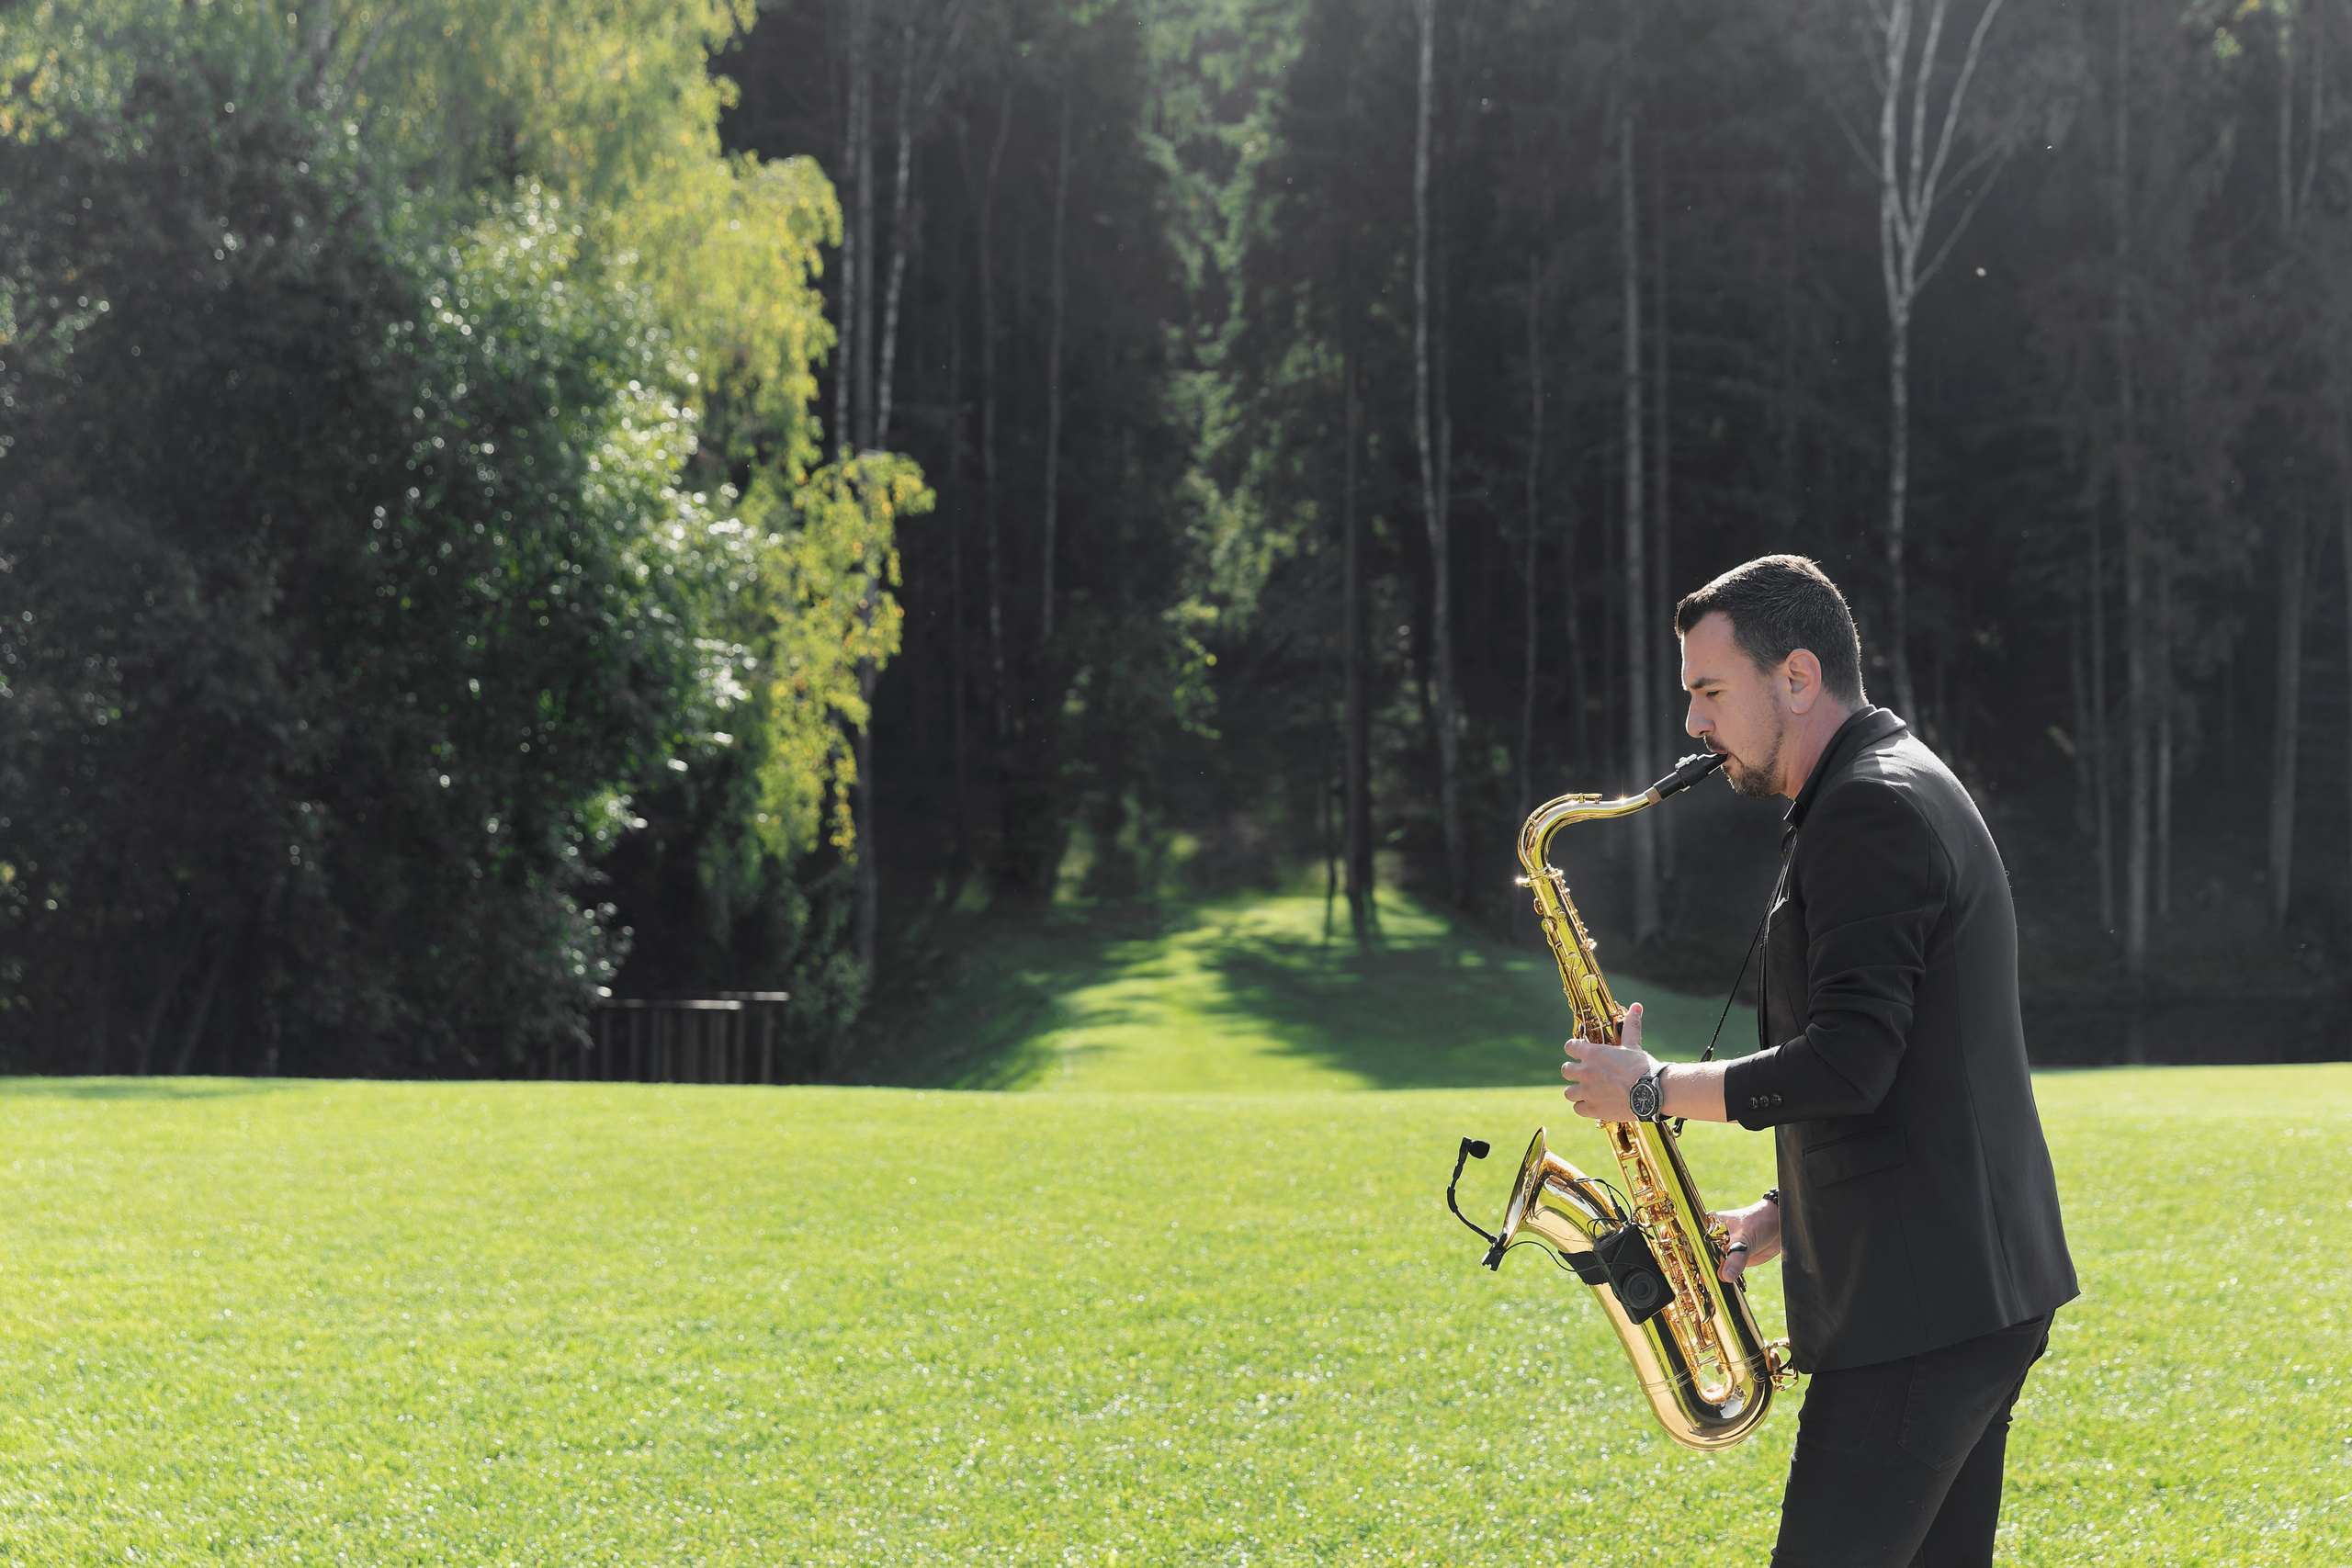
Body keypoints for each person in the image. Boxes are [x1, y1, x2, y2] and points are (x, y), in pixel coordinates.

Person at [1560, 555, 2077, 1568]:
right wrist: (1782, 1216)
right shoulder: (1885, 784)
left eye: (1711, 691)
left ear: (1797, 677)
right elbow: (1915, 1065)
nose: (1693, 723)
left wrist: (1652, 1090)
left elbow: (1850, 1061)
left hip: (1920, 1305)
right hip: (1966, 1290)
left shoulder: (1869, 808)